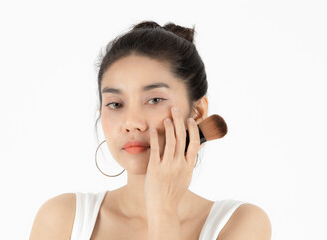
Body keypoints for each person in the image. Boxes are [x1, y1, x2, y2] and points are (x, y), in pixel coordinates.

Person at [29, 21, 272, 240]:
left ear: (197, 112)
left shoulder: (239, 224)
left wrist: (162, 211)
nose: (131, 122)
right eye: (115, 104)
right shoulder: (63, 220)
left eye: (154, 100)